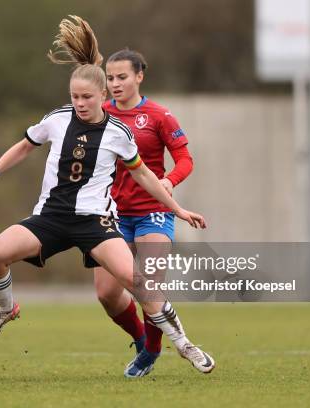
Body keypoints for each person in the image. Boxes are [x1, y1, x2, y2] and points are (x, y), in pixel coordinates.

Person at [0, 16, 215, 376]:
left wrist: (178, 209)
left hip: (96, 222)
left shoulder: (120, 131)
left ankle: (185, 346)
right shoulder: (57, 119)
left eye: (87, 97)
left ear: (103, 96)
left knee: (140, 284)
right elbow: (24, 147)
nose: (80, 103)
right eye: (75, 97)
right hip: (50, 218)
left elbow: (146, 175)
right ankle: (6, 309)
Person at [94, 49, 195, 377]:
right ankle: (142, 338)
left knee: (149, 285)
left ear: (139, 76)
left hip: (153, 211)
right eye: (110, 78)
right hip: (110, 215)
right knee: (107, 294)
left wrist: (169, 180)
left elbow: (185, 159)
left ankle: (151, 350)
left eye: (122, 77)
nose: (115, 84)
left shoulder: (159, 116)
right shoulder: (99, 113)